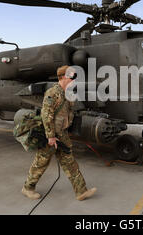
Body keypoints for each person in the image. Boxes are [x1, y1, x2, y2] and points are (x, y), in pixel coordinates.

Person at [21, 65, 97, 201]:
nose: (74, 79)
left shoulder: (67, 94)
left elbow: (68, 114)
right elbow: (46, 115)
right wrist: (50, 136)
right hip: (51, 136)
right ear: (63, 77)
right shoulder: (52, 93)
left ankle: (81, 191)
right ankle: (28, 188)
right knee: (41, 163)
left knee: (70, 162)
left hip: (62, 134)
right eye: (72, 76)